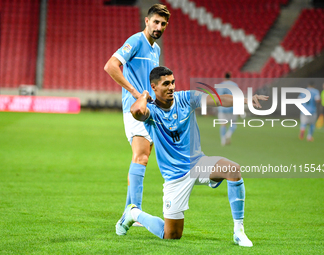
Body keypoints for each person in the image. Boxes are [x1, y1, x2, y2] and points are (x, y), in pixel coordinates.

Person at [116, 66, 268, 246]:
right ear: (154, 87)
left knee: (232, 169)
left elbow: (218, 100)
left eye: (173, 82)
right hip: (175, 177)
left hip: (198, 163)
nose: (171, 87)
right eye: (166, 84)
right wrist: (142, 96)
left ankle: (239, 231)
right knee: (171, 234)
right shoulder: (151, 112)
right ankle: (133, 213)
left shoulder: (186, 98)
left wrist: (247, 100)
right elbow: (136, 111)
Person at [104, 5, 171, 214]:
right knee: (140, 156)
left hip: (149, 110)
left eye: (163, 24)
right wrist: (135, 93)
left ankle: (129, 212)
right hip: (135, 109)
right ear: (147, 21)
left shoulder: (156, 49)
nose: (159, 27)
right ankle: (135, 212)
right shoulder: (135, 41)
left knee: (142, 158)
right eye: (156, 22)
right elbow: (111, 66)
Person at [217, 72, 239, 145]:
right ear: (230, 77)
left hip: (222, 107)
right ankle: (228, 134)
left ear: (224, 77)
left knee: (223, 124)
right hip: (232, 107)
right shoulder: (234, 85)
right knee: (233, 123)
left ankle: (223, 140)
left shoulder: (220, 86)